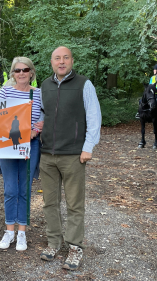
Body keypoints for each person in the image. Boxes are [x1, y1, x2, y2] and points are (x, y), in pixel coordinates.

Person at [38, 46, 101, 270]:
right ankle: (54, 242)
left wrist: (88, 147)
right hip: (47, 155)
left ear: (72, 60)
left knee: (75, 205)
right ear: (51, 62)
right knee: (49, 203)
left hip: (74, 155)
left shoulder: (84, 84)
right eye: (57, 58)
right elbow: (43, 114)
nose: (61, 61)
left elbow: (94, 116)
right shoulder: (44, 85)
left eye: (65, 58)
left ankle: (75, 247)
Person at [0, 57, 43, 251]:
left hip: (30, 145)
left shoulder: (39, 93)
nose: (21, 73)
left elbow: (45, 114)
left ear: (31, 72)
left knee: (24, 189)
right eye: (17, 70)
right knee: (10, 189)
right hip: (9, 145)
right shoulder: (4, 91)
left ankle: (22, 232)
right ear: (12, 73)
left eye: (25, 70)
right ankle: (9, 231)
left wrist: (39, 127)